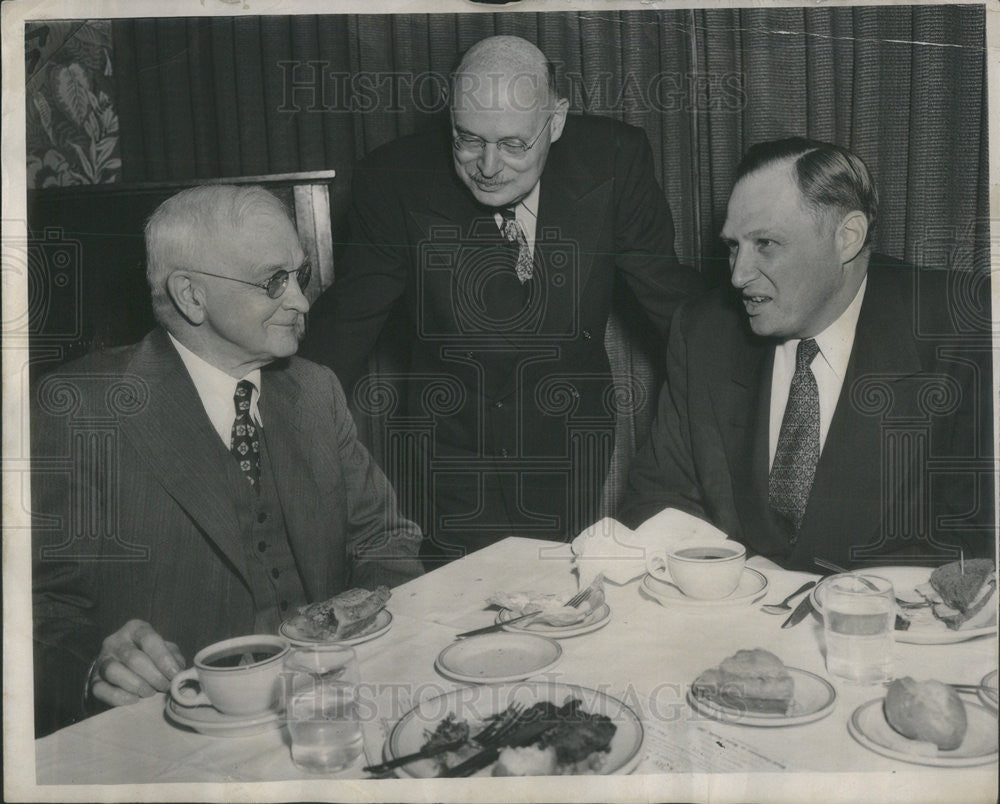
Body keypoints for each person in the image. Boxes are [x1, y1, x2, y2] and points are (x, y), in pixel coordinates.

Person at [31, 185, 424, 736]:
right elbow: (33, 612)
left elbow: (385, 542)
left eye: (299, 275)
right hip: (175, 736)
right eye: (273, 282)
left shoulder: (315, 391)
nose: (302, 302)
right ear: (191, 296)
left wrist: (363, 636)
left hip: (331, 712)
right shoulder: (78, 409)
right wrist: (96, 667)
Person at [302, 35, 704, 566]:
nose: (488, 166)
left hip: (569, 435)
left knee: (563, 601)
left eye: (514, 145)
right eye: (467, 140)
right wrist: (275, 413)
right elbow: (348, 321)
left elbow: (667, 294)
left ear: (555, 122)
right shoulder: (394, 177)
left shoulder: (613, 158)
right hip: (453, 446)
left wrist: (751, 372)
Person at [619, 137, 994, 571]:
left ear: (847, 238)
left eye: (766, 244)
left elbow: (979, 537)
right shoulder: (704, 330)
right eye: (733, 246)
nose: (738, 275)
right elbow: (656, 500)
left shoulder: (964, 327)